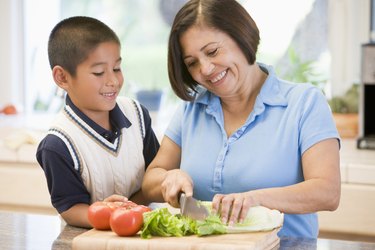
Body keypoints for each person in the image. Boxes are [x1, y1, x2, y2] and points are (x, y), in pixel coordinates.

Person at [142, 0, 341, 239]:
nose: (205, 69)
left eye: (213, 51)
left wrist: (254, 199)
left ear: (241, 34)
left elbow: (327, 192)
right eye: (192, 63)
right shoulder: (190, 111)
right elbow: (151, 180)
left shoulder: (305, 103)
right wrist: (169, 178)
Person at [36, 16, 160, 228]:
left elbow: (156, 171)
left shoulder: (137, 114)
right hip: (91, 239)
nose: (113, 81)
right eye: (99, 72)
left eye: (117, 68)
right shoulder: (57, 145)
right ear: (62, 78)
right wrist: (106, 214)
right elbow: (70, 208)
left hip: (144, 233)